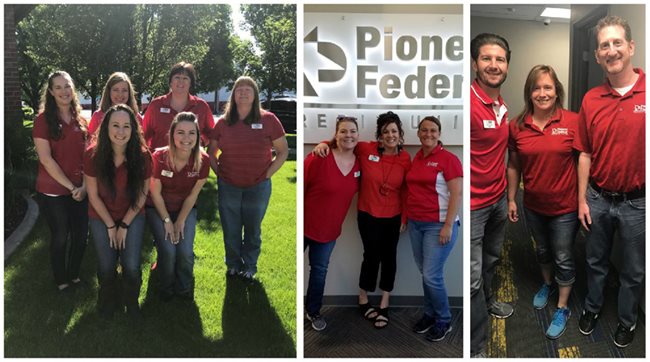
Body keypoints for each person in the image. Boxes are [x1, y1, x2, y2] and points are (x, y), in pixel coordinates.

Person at [573, 15, 645, 348]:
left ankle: (628, 320)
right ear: (598, 54)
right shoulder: (590, 100)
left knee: (633, 270)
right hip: (598, 198)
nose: (611, 50)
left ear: (630, 47)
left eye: (617, 43)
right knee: (595, 260)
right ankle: (592, 307)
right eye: (604, 45)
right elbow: (584, 153)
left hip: (637, 202)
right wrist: (582, 200)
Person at [313, 111, 411, 329]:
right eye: (385, 132)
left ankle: (385, 302)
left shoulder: (405, 158)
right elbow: (341, 142)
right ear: (380, 135)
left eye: (394, 131)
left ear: (400, 133)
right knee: (371, 256)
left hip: (394, 216)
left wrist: (404, 216)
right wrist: (322, 143)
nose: (390, 135)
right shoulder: (365, 149)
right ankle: (363, 298)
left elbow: (406, 191)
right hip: (368, 214)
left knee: (390, 258)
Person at [506, 65, 579, 339]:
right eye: (536, 88)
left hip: (565, 207)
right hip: (533, 205)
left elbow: (583, 161)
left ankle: (562, 306)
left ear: (557, 90)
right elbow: (514, 166)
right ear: (529, 92)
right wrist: (511, 197)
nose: (542, 93)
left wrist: (583, 200)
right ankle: (547, 284)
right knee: (542, 251)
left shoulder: (572, 121)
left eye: (548, 87)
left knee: (563, 255)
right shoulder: (517, 125)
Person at [208, 76, 288, 281]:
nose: (243, 92)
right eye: (239, 89)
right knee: (231, 229)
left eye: (248, 89)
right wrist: (219, 174)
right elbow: (211, 152)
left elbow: (282, 152)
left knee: (253, 229)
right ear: (233, 95)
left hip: (258, 187)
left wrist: (267, 175)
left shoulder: (269, 120)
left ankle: (250, 266)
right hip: (229, 186)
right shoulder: (223, 123)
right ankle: (233, 265)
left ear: (255, 95)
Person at [84, 104, 151, 319]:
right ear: (106, 127)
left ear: (134, 130)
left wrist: (124, 225)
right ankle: (106, 301)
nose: (121, 132)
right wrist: (111, 225)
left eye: (126, 126)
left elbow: (142, 195)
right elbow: (93, 196)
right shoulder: (92, 155)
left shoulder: (142, 156)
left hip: (131, 214)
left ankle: (131, 302)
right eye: (115, 125)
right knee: (106, 265)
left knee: (131, 265)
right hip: (101, 215)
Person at [469, 33, 513, 358]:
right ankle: (476, 347)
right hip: (472, 208)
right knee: (470, 280)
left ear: (507, 64)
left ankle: (488, 302)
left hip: (497, 199)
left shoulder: (501, 105)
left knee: (490, 260)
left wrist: (508, 196)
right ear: (474, 64)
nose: (494, 65)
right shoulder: (467, 104)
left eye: (499, 59)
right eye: (487, 58)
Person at [406, 116, 462, 342]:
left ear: (439, 133)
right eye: (424, 130)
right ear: (418, 133)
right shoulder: (417, 157)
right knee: (426, 274)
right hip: (415, 224)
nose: (428, 134)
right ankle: (429, 314)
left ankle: (444, 319)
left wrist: (447, 225)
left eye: (433, 130)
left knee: (431, 276)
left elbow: (455, 194)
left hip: (438, 225)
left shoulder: (448, 159)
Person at [32, 71, 89, 292]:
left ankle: (74, 274)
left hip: (80, 190)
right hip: (54, 191)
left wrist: (84, 186)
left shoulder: (81, 119)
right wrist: (72, 187)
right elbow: (46, 159)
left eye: (67, 86)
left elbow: (88, 156)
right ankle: (61, 279)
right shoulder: (42, 120)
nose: (64, 91)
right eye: (58, 87)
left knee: (81, 236)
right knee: (60, 236)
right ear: (51, 92)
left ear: (73, 89)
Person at [304, 116, 361, 331]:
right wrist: (323, 144)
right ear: (335, 135)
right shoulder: (320, 157)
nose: (348, 135)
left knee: (319, 271)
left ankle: (313, 311)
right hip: (305, 225)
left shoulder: (360, 162)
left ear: (358, 135)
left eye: (352, 131)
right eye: (343, 131)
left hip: (329, 231)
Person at [146, 112, 210, 301]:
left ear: (197, 136)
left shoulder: (203, 160)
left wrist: (180, 221)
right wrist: (167, 220)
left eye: (191, 133)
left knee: (184, 252)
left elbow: (193, 195)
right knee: (168, 250)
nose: (186, 138)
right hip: (157, 208)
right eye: (180, 132)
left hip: (185, 208)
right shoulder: (159, 157)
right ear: (172, 134)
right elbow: (155, 193)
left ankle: (183, 289)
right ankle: (165, 289)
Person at [142, 62, 214, 151]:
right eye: (177, 77)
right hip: (160, 162)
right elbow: (144, 135)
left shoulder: (201, 106)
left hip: (192, 161)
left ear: (191, 83)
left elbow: (212, 135)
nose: (181, 81)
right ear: (170, 81)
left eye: (185, 78)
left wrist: (200, 141)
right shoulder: (156, 105)